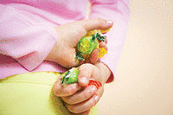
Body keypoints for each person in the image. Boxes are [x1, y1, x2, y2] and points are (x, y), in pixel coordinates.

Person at [0, 0, 130, 115]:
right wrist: (100, 68)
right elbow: (113, 4)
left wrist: (98, 70)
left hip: (77, 88)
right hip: (78, 92)